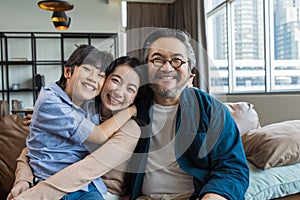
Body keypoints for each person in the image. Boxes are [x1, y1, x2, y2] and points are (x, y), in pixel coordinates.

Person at [9, 28, 249, 200]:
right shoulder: (127, 105)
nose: (167, 67)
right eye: (157, 59)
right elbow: (38, 147)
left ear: (189, 73)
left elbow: (232, 167)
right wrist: (23, 177)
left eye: (177, 61)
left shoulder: (209, 110)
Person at [8, 46, 138, 200]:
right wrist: (23, 178)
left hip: (97, 189)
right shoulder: (82, 106)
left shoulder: (130, 128)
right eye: (116, 80)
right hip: (52, 181)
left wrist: (29, 197)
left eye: (130, 89)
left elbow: (87, 169)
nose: (119, 92)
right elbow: (31, 149)